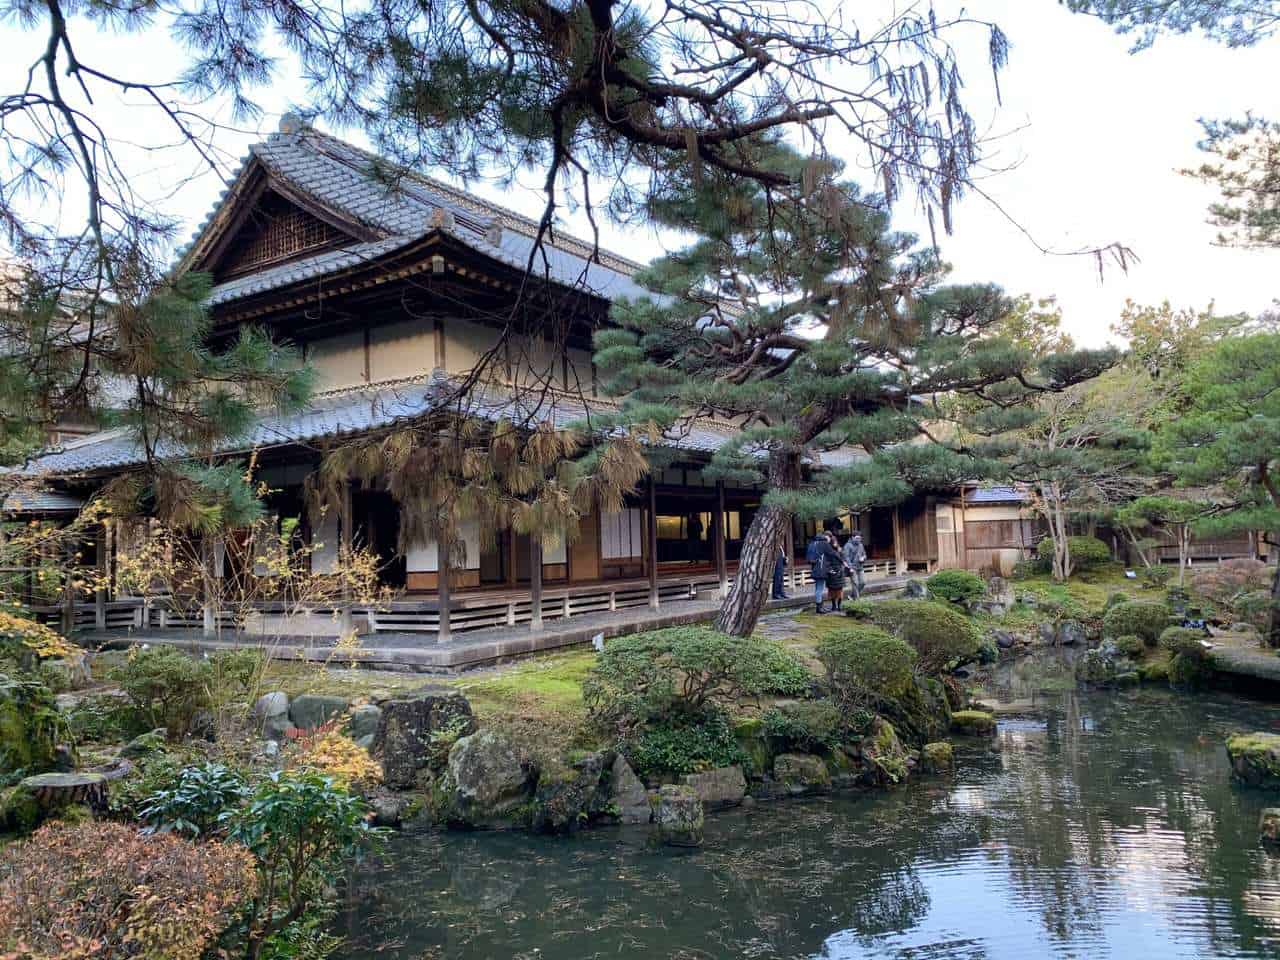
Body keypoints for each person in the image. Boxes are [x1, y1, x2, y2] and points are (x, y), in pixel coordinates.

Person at [806, 531, 842, 614]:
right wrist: (842, 560)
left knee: (817, 587)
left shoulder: (812, 544)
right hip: (821, 569)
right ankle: (819, 608)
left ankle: (820, 606)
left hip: (814, 568)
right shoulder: (824, 543)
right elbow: (832, 553)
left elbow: (808, 558)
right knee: (820, 588)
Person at [824, 532, 850, 611]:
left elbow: (843, 558)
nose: (835, 543)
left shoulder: (839, 550)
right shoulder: (828, 550)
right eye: (834, 542)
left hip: (839, 571)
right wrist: (829, 569)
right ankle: (834, 606)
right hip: (832, 570)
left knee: (839, 590)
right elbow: (826, 561)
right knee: (832, 590)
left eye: (835, 542)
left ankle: (838, 606)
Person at [842, 532, 867, 599]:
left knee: (863, 582)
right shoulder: (847, 545)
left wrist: (863, 558)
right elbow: (846, 557)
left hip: (860, 566)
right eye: (857, 538)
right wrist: (850, 567)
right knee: (855, 583)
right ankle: (857, 599)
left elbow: (864, 554)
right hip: (852, 568)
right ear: (852, 537)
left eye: (860, 538)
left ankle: (852, 596)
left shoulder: (861, 545)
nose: (859, 539)